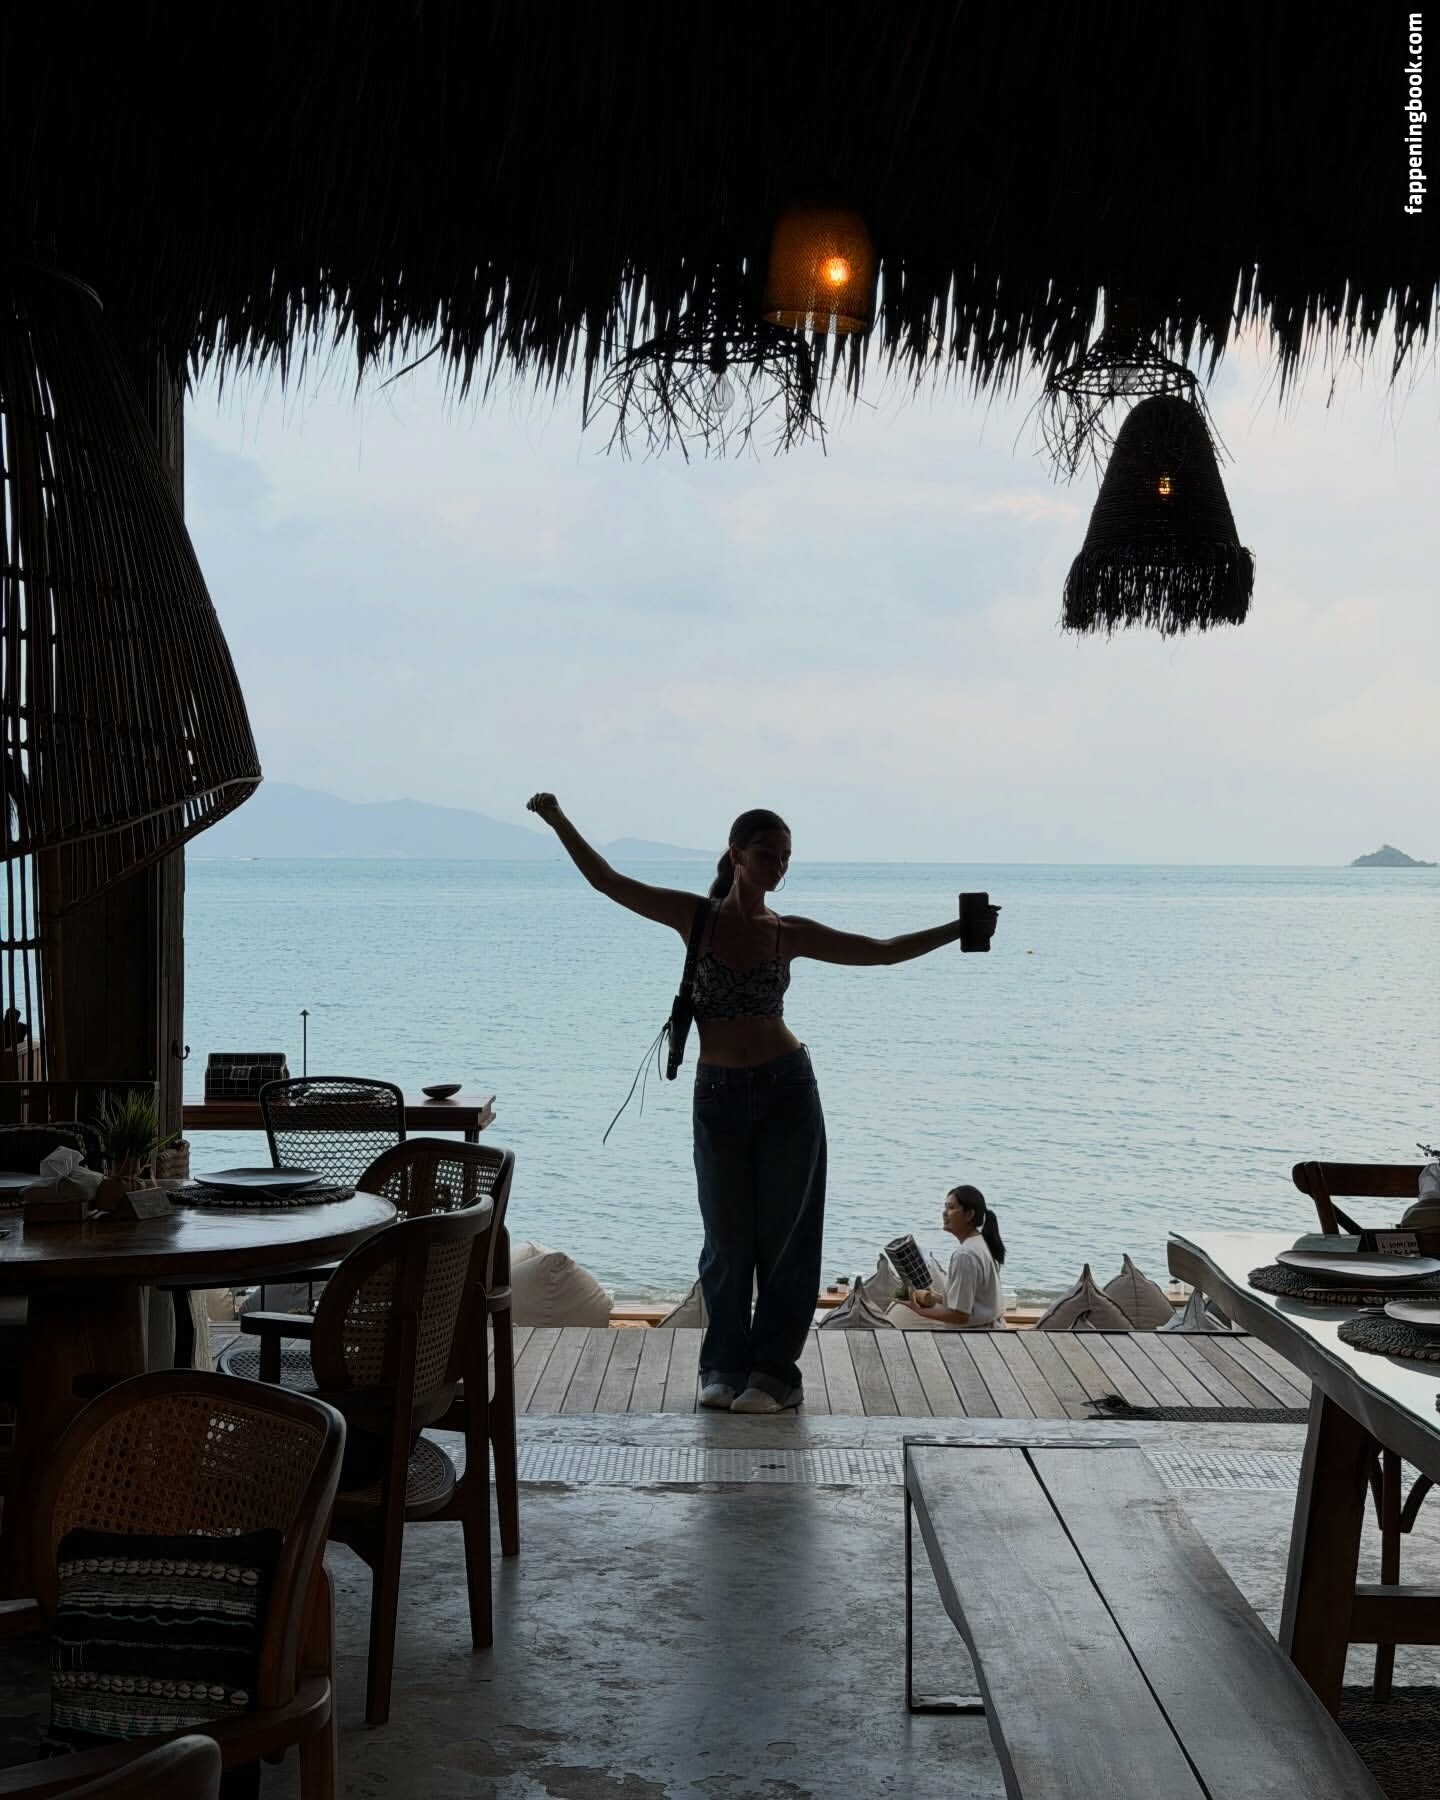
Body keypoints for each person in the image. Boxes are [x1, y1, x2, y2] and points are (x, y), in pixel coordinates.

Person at [525, 794, 999, 1412]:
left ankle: (775, 1375)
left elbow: (879, 950)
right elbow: (609, 881)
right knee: (726, 1241)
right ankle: (723, 1367)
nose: (779, 866)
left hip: (787, 1091)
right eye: (769, 855)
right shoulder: (694, 917)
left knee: (787, 1242)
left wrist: (958, 929)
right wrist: (559, 820)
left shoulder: (787, 933)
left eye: (786, 857)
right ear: (737, 855)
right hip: (718, 1095)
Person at [897, 1183, 1006, 1328]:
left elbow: (960, 1316)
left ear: (969, 1215)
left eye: (951, 1208)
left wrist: (919, 1311)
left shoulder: (965, 1255)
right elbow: (972, 1303)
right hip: (989, 1330)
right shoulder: (980, 1243)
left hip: (975, 1336)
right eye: (945, 1207)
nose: (944, 1213)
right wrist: (936, 1298)